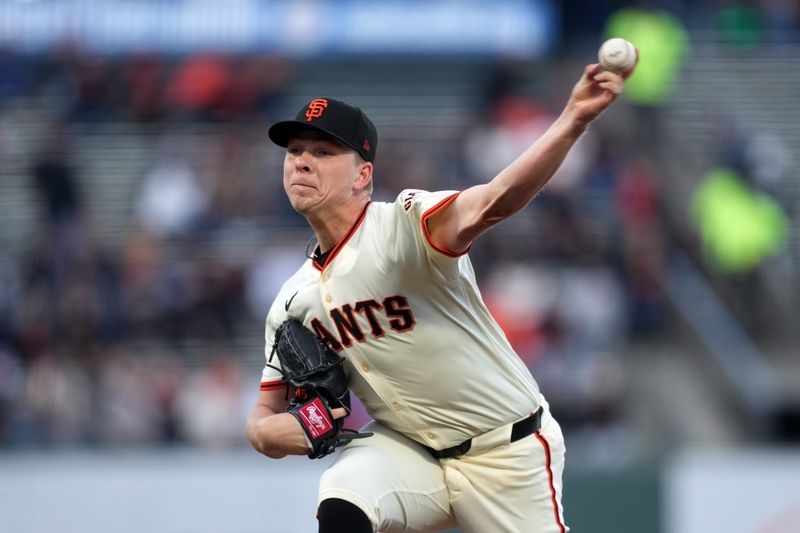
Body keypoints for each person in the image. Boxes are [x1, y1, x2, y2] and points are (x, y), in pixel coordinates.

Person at [247, 61, 634, 533]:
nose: (302, 161)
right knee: (344, 496)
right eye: (295, 150)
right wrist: (271, 432)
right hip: (407, 449)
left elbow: (495, 201)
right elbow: (264, 417)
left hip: (504, 452)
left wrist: (572, 120)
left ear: (362, 175)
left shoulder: (403, 226)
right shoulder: (293, 300)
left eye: (324, 151)